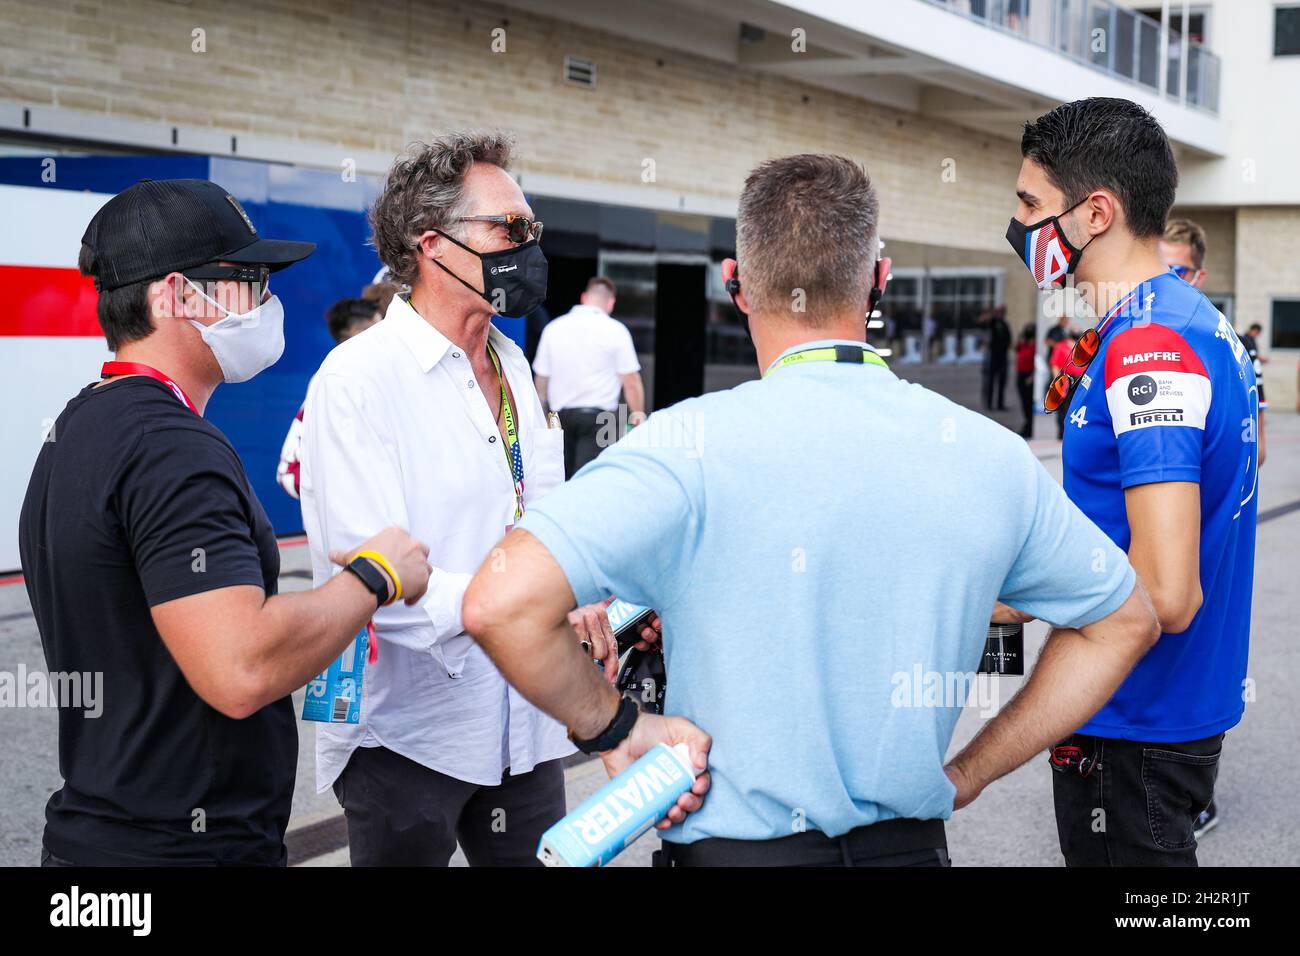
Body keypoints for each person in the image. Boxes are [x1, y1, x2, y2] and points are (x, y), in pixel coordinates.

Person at [462, 152, 1160, 868]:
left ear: (735, 284)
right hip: (911, 851)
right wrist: (968, 773)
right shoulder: (992, 455)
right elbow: (1126, 619)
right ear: (879, 281)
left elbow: (499, 604)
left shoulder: (683, 443)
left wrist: (616, 729)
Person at [18, 178, 431, 866]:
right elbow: (240, 665)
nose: (267, 301)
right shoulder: (170, 447)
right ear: (174, 296)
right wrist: (375, 574)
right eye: (246, 279)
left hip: (99, 842)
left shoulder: (80, 423)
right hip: (179, 852)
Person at [299, 131, 622, 867]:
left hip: (526, 721)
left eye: (530, 228)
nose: (527, 245)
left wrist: (576, 587)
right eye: (509, 228)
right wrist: (524, 610)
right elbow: (371, 572)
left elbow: (542, 514)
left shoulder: (512, 361)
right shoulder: (358, 381)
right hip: (409, 734)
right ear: (431, 243)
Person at [1008, 97, 1258, 865]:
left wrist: (1003, 597)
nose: (1017, 225)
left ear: (1095, 212)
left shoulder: (1151, 346)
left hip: (1132, 723)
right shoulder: (1177, 321)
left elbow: (1169, 592)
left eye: (1029, 204)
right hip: (1150, 715)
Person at [1160, 218, 1267, 472]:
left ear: (1199, 277)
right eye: (1161, 268)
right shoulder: (1132, 337)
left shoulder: (1238, 346)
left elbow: (1257, 449)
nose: (1167, 280)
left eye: (1179, 271)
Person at [533, 276, 646, 477]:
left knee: (558, 482)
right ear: (611, 303)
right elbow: (631, 381)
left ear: (583, 297)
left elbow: (541, 381)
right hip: (602, 421)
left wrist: (540, 419)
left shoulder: (554, 329)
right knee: (591, 483)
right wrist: (638, 415)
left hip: (559, 420)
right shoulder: (616, 331)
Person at [276, 297, 381, 499]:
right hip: (339, 504)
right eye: (379, 328)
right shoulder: (340, 376)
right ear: (358, 334)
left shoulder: (352, 371)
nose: (388, 336)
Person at [980, 305, 1012, 411]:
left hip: (1002, 356)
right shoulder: (992, 322)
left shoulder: (1004, 324)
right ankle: (989, 404)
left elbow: (1008, 338)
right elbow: (982, 324)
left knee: (1002, 382)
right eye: (1000, 311)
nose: (1001, 314)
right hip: (992, 356)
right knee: (990, 381)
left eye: (1003, 312)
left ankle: (1000, 404)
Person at [1048, 328, 1077, 439]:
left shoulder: (1081, 345)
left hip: (1079, 380)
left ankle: (1072, 433)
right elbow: (1055, 364)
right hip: (1066, 379)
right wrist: (1058, 381)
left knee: (1075, 406)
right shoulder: (1061, 346)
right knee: (1063, 407)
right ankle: (1062, 433)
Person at [1015, 323, 1037, 438]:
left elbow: (1037, 364)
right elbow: (1015, 346)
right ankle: (1027, 424)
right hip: (1020, 375)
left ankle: (1029, 427)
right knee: (1024, 404)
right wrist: (1021, 334)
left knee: (1029, 404)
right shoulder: (1022, 345)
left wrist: (1032, 377)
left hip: (1029, 377)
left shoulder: (1035, 347)